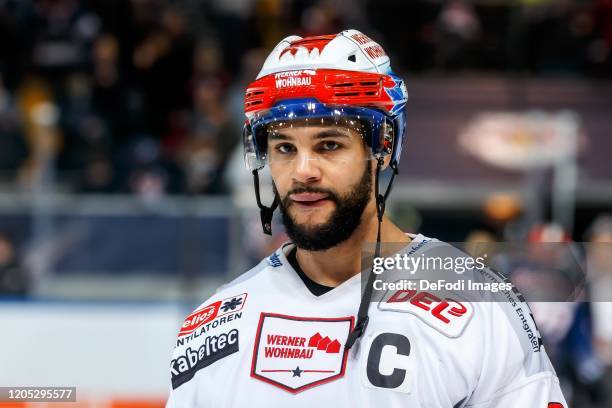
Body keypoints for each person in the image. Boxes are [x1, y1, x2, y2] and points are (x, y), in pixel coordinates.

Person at [167, 30, 567, 407]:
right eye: (285, 147)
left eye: (328, 145)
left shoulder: (480, 307)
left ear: (383, 149)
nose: (303, 171)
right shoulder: (213, 327)